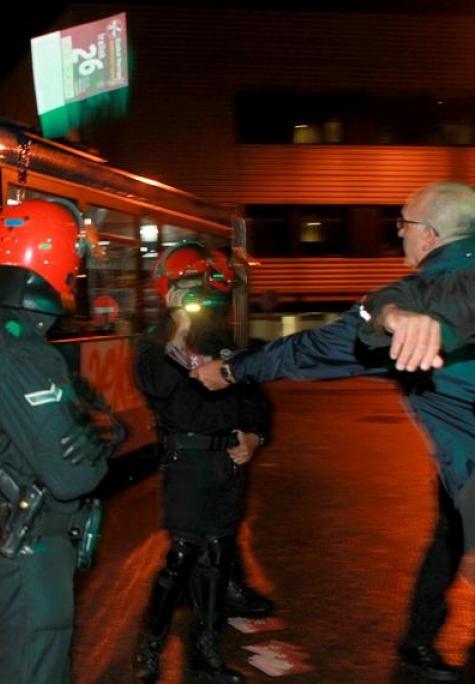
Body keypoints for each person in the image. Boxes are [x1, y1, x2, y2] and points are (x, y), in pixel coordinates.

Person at [191, 179, 475, 682]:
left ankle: (418, 642)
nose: (399, 234)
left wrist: (232, 369)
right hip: (459, 482)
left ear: (429, 235)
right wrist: (388, 309)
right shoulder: (412, 299)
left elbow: (312, 350)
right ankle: (418, 641)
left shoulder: (422, 301)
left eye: (403, 224)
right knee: (446, 543)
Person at [0, 199, 114, 684]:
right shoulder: (18, 351)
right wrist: (98, 440)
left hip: (12, 539)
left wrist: (85, 423)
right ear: (61, 263)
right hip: (28, 552)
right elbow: (74, 474)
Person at [132, 240, 271, 683]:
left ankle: (206, 651)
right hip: (187, 461)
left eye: (202, 284)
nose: (199, 293)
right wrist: (180, 325)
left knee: (218, 557)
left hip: (228, 462)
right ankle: (150, 644)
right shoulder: (154, 341)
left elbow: (254, 397)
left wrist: (255, 436)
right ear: (170, 288)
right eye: (190, 284)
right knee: (182, 557)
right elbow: (158, 386)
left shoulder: (223, 337)